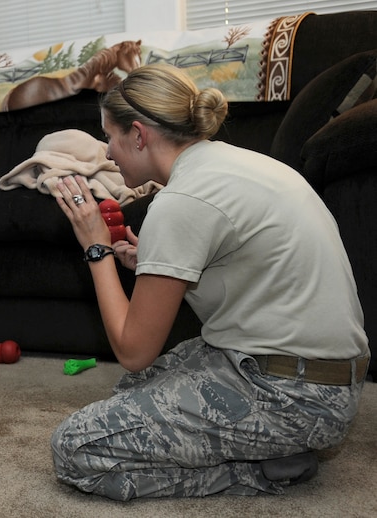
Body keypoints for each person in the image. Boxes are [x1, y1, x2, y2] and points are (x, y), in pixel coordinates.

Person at [51, 63, 370, 500]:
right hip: (317, 375)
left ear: (139, 135)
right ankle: (269, 451)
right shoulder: (237, 165)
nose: (107, 152)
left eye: (110, 136)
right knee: (134, 393)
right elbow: (248, 266)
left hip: (295, 396)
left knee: (76, 448)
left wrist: (96, 249)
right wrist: (151, 259)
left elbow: (133, 351)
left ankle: (259, 471)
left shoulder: (182, 201)